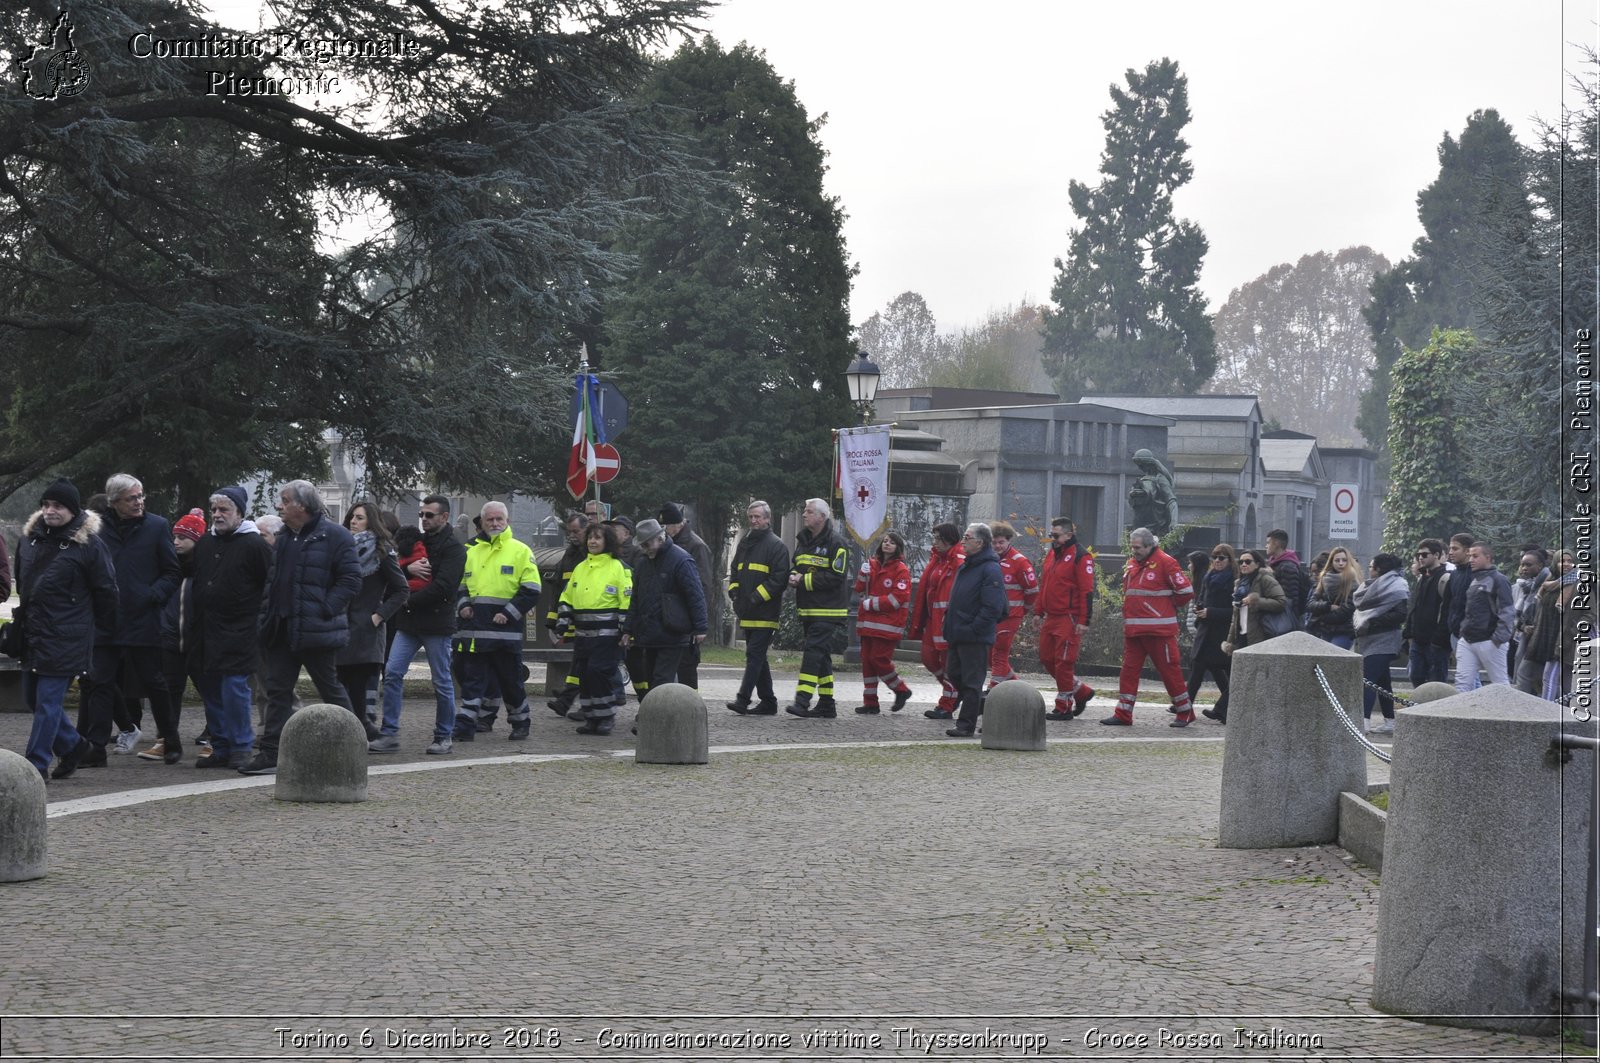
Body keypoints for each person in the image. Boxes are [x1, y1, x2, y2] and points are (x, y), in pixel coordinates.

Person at [244, 480, 363, 775]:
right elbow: (274, 580)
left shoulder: (336, 536)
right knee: (277, 691)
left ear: (302, 505)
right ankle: (271, 752)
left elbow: (350, 581)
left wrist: (325, 609)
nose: (279, 506)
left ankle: (353, 744)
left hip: (317, 630)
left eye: (285, 501)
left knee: (330, 689)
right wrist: (265, 615)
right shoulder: (285, 537)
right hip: (282, 629)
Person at [14, 479, 117, 781]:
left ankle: (36, 766)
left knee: (47, 703)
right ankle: (73, 746)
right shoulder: (30, 539)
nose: (50, 511)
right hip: (33, 633)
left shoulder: (90, 545)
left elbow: (107, 591)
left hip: (67, 635)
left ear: (72, 510)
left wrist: (96, 629)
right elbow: (24, 582)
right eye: (46, 505)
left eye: (57, 506)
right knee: (32, 699)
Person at [83, 473, 181, 764]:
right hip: (106, 619)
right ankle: (96, 749)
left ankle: (171, 740)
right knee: (100, 683)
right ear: (114, 502)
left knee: (154, 682)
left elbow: (172, 572)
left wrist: (152, 595)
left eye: (140, 496)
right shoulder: (96, 530)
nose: (138, 502)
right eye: (131, 498)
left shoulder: (157, 526)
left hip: (142, 618)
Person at [186, 487, 274, 769]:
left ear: (239, 512)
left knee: (234, 688)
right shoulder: (205, 544)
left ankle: (240, 745)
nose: (218, 515)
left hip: (240, 628)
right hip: (206, 627)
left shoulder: (255, 545)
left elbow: (269, 585)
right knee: (210, 687)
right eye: (215, 510)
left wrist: (260, 619)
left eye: (224, 510)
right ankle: (220, 744)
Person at [372, 495, 465, 755]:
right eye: (422, 514)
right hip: (410, 623)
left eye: (429, 515)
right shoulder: (414, 541)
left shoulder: (454, 548)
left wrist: (406, 600)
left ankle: (443, 735)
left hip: (436, 623)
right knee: (392, 673)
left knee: (441, 681)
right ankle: (389, 733)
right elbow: (392, 573)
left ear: (444, 517)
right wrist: (407, 570)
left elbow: (444, 587)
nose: (423, 519)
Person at [453, 500, 541, 742]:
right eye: (489, 519)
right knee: (473, 681)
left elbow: (532, 589)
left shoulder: (521, 551)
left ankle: (521, 723)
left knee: (511, 682)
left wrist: (509, 613)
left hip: (506, 633)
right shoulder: (471, 552)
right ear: (482, 522)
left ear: (507, 521)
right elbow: (461, 587)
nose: (494, 523)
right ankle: (466, 725)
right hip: (476, 632)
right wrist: (464, 606)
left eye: (498, 519)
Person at [1105, 527, 1195, 727]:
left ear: (1149, 546)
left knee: (1170, 672)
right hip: (1134, 631)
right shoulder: (1132, 564)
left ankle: (1185, 711)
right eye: (1132, 547)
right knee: (1128, 671)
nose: (1133, 551)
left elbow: (1186, 591)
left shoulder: (1166, 562)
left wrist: (1166, 608)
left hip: (1159, 632)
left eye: (1137, 547)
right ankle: (1123, 713)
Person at [554, 521, 631, 735]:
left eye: (598, 537)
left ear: (608, 542)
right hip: (583, 635)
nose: (593, 541)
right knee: (585, 676)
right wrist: (563, 620)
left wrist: (626, 629)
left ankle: (606, 716)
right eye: (590, 537)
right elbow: (567, 596)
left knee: (599, 674)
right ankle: (591, 717)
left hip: (608, 636)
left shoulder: (617, 567)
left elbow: (626, 599)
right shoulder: (580, 567)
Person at [337, 501, 408, 731]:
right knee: (338, 689)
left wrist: (378, 617)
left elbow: (401, 589)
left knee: (357, 694)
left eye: (359, 518)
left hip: (365, 632)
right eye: (352, 517)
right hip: (339, 628)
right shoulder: (342, 549)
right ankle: (353, 735)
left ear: (372, 522)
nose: (353, 522)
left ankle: (364, 735)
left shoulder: (382, 551)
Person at [622, 518, 706, 694]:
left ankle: (655, 716)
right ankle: (652, 713)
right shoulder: (643, 563)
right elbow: (635, 599)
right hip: (650, 632)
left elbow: (695, 595)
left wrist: (700, 627)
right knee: (652, 676)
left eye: (647, 544)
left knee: (662, 678)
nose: (644, 549)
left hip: (673, 631)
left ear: (660, 539)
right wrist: (628, 629)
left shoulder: (681, 560)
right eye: (642, 545)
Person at [151, 509, 208, 762]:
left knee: (209, 691)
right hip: (170, 639)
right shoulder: (168, 569)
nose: (176, 542)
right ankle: (166, 739)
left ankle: (215, 737)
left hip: (198, 642)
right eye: (175, 536)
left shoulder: (205, 569)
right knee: (168, 692)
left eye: (183, 537)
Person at [785, 498, 849, 719]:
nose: (804, 514)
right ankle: (827, 703)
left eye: (809, 511)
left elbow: (836, 577)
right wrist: (793, 576)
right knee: (821, 657)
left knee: (812, 654)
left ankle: (802, 701)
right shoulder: (804, 541)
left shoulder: (837, 543)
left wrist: (804, 580)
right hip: (808, 610)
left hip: (827, 611)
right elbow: (796, 565)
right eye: (804, 511)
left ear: (822, 517)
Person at [942, 523, 1008, 738]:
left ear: (979, 542)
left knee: (972, 681)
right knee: (954, 674)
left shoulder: (990, 568)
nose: (962, 541)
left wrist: (973, 628)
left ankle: (965, 725)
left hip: (974, 636)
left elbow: (993, 607)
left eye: (967, 538)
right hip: (958, 632)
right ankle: (984, 706)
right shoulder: (967, 565)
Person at [726, 501, 789, 716]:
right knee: (758, 657)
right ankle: (769, 702)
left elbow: (778, 580)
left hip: (765, 613)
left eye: (758, 517)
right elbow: (735, 570)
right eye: (751, 517)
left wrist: (754, 598)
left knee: (754, 655)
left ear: (767, 519)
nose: (753, 521)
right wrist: (734, 593)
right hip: (747, 611)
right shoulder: (745, 543)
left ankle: (743, 699)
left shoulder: (776, 545)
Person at [1036, 516, 1095, 721]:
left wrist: (1084, 620)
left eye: (1056, 535)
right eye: (1051, 535)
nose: (1053, 539)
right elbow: (1045, 584)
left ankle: (1064, 706)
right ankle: (1081, 691)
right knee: (1046, 657)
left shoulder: (1081, 556)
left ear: (1069, 535)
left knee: (1064, 662)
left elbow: (1086, 590)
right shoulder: (1053, 554)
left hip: (1069, 617)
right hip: (1052, 616)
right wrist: (1038, 611)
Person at [851, 531, 913, 714]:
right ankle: (870, 702)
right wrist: (863, 574)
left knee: (878, 660)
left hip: (887, 625)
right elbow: (860, 589)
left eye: (892, 542)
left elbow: (897, 599)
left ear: (897, 547)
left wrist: (873, 604)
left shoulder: (901, 570)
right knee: (867, 662)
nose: (887, 544)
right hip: (867, 624)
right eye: (885, 541)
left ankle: (901, 689)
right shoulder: (871, 564)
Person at [660, 502, 717, 689]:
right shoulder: (667, 545)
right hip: (669, 616)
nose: (665, 531)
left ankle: (692, 710)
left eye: (666, 526)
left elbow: (703, 586)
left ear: (678, 524)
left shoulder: (696, 546)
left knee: (687, 667)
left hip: (686, 618)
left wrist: (698, 622)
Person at [911, 523, 964, 722]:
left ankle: (947, 703)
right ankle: (954, 691)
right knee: (928, 658)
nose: (934, 542)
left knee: (948, 663)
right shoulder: (938, 558)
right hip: (933, 617)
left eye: (937, 538)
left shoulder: (958, 560)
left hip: (947, 619)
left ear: (948, 539)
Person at [1352, 553, 1409, 734]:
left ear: (1379, 569)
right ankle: (1390, 721)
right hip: (1368, 639)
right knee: (1383, 683)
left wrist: (1371, 622)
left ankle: (1364, 721)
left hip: (1385, 639)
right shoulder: (1369, 586)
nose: (1369, 569)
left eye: (1371, 566)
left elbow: (1400, 614)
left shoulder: (1397, 585)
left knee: (1368, 681)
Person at [544, 512, 590, 717]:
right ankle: (572, 699)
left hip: (591, 618)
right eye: (569, 532)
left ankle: (570, 699)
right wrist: (553, 618)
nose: (572, 535)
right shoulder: (569, 555)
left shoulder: (593, 555)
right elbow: (559, 588)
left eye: (576, 531)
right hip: (573, 617)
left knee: (588, 661)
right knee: (583, 660)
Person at [1453, 541, 1516, 690]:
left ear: (1488, 557)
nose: (1471, 560)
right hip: (1468, 640)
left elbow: (1507, 611)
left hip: (1490, 640)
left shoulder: (1499, 579)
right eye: (1470, 556)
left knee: (1500, 685)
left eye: (1475, 556)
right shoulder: (1475, 579)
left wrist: (1498, 639)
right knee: (1461, 684)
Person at [987, 520, 1038, 690]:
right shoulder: (990, 559)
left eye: (1001, 542)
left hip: (1011, 615)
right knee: (990, 653)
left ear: (1009, 541)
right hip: (993, 614)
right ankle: (1017, 688)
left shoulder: (1020, 562)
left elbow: (1032, 590)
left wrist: (1022, 610)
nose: (997, 546)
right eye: (994, 542)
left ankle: (994, 689)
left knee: (1000, 652)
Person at [1190, 544, 1236, 724]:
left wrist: (1210, 612)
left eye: (1222, 558)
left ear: (1230, 560)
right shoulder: (1209, 577)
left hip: (1222, 634)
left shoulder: (1233, 580)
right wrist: (1199, 611)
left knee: (1227, 672)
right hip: (1206, 630)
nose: (1217, 561)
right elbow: (1201, 598)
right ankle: (1185, 707)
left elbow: (1233, 611)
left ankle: (1224, 708)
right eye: (1215, 557)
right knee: (1198, 666)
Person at [1402, 538, 1452, 687]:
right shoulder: (1422, 578)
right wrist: (1409, 633)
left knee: (1436, 683)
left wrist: (1439, 638)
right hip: (1417, 639)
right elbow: (1414, 607)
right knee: (1415, 676)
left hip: (1436, 641)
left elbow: (1447, 611)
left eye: (1424, 555)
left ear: (1436, 555)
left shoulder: (1445, 578)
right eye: (1418, 555)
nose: (1420, 558)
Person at [1221, 548, 1289, 655]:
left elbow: (1280, 602)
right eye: (1241, 562)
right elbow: (1235, 617)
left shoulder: (1265, 579)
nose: (1244, 564)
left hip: (1261, 635)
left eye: (1248, 562)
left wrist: (1255, 601)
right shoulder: (1239, 584)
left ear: (1257, 564)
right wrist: (1230, 641)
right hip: (1242, 634)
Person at [1305, 547, 1360, 649]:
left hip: (1344, 631)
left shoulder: (1353, 582)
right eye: (1337, 560)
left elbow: (1346, 610)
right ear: (1331, 562)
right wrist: (1328, 606)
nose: (1340, 563)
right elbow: (1310, 604)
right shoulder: (1324, 579)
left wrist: (1321, 617)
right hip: (1325, 631)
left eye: (1344, 560)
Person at [1508, 549, 1548, 680]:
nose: (1524, 568)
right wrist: (1523, 627)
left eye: (1529, 565)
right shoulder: (1526, 586)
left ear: (1540, 566)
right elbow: (1518, 613)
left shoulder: (1548, 584)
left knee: (1528, 675)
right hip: (1524, 635)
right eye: (1522, 564)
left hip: (1542, 638)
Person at [1443, 531, 1476, 688]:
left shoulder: (1476, 574)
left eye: (1455, 549)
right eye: (1450, 548)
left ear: (1468, 550)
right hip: (1455, 631)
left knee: (1469, 677)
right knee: (1465, 677)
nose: (1450, 552)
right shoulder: (1454, 574)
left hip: (1470, 632)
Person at [1264, 529, 1307, 628]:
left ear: (1276, 544)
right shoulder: (1274, 564)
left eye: (1268, 543)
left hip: (1284, 621)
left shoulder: (1288, 567)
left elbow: (1291, 599)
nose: (1266, 546)